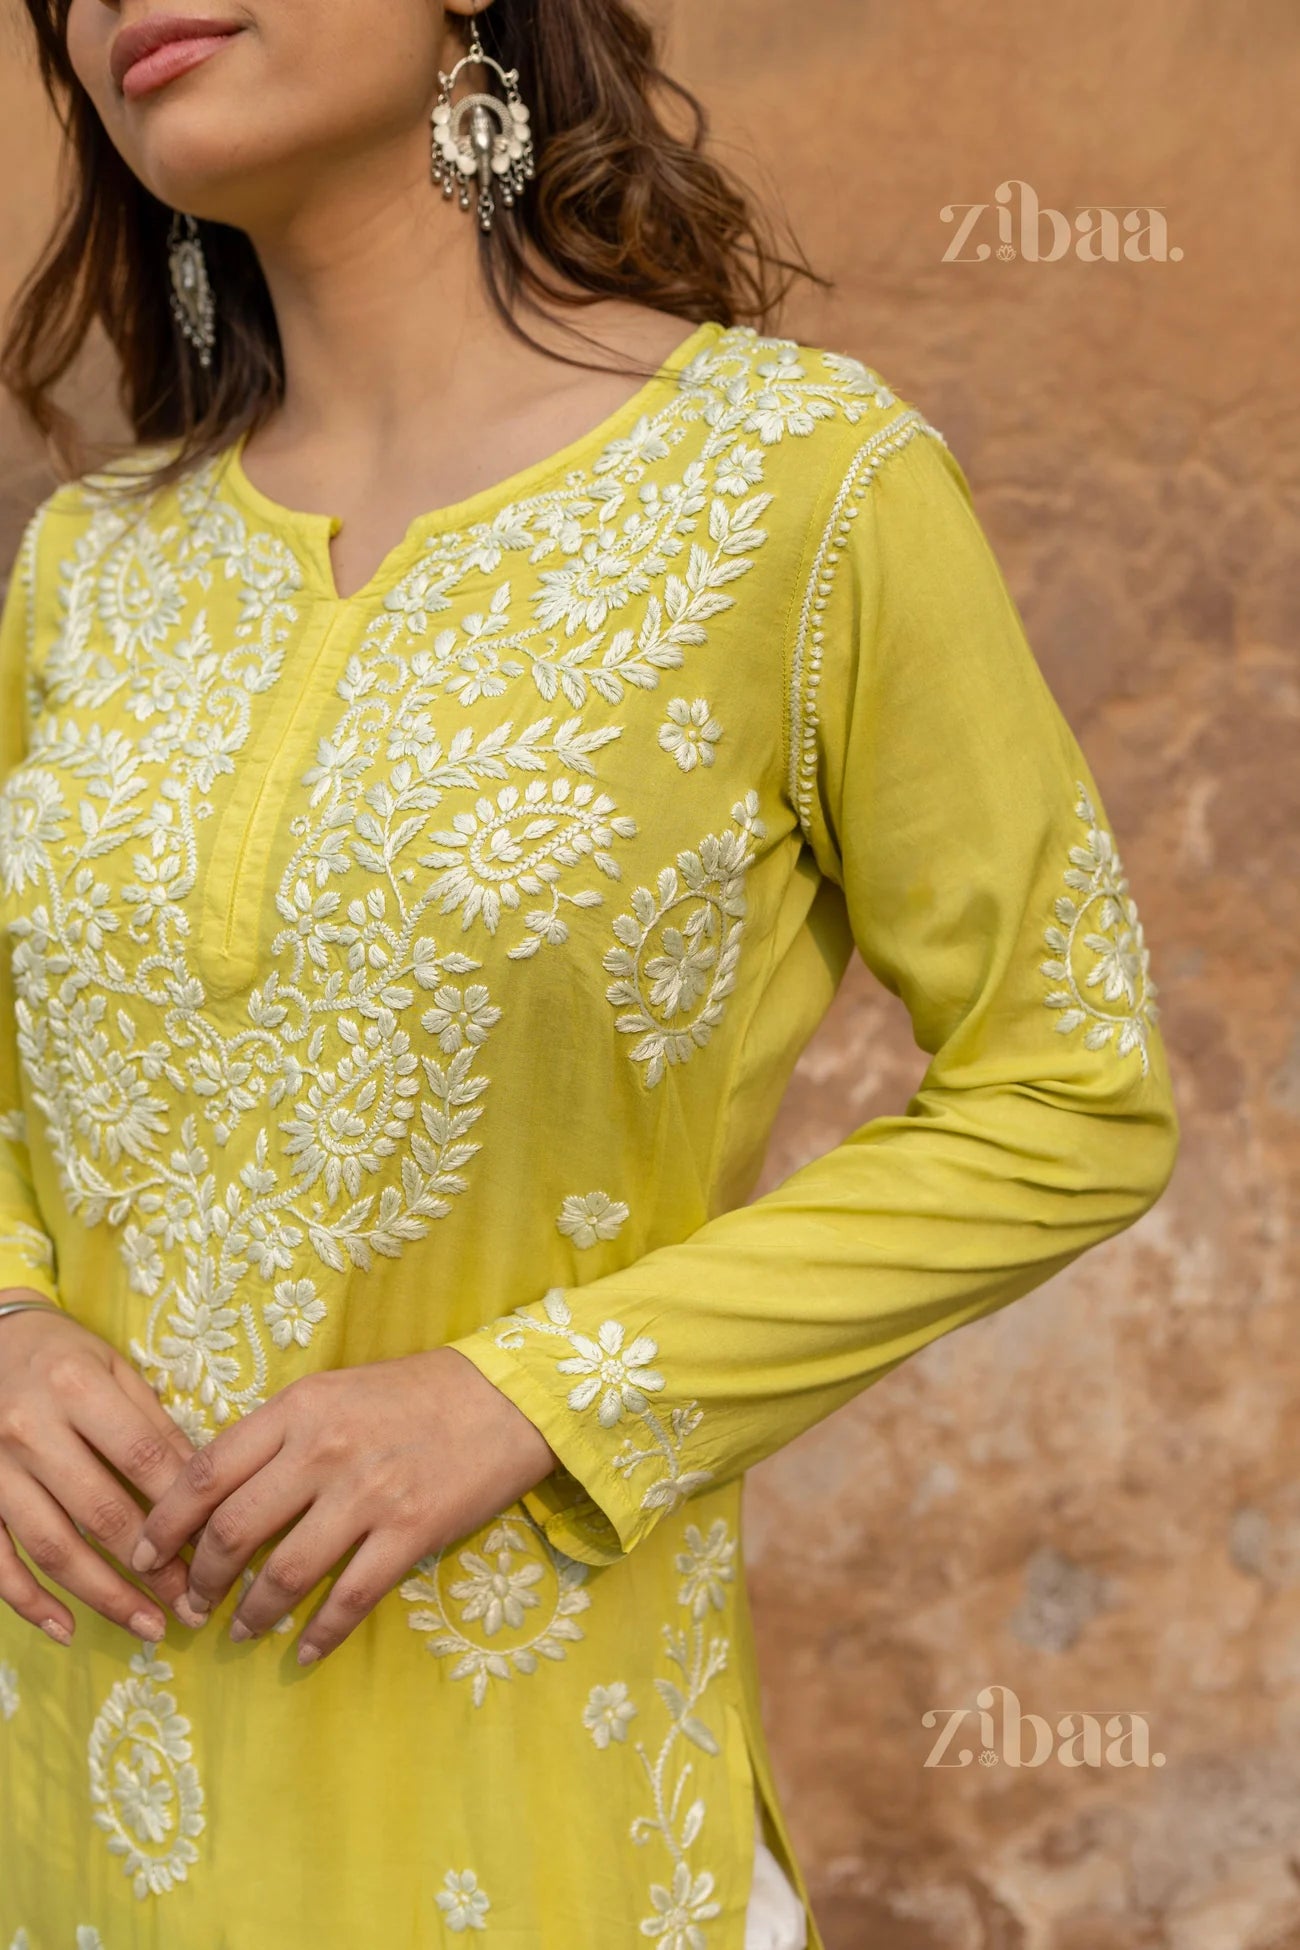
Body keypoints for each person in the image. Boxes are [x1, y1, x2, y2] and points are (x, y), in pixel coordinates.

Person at [0, 1, 1180, 1945]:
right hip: (73, 1802)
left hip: (522, 1795)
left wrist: (523, 1397)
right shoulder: (93, 572)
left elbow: (1069, 1099)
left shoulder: (800, 494)